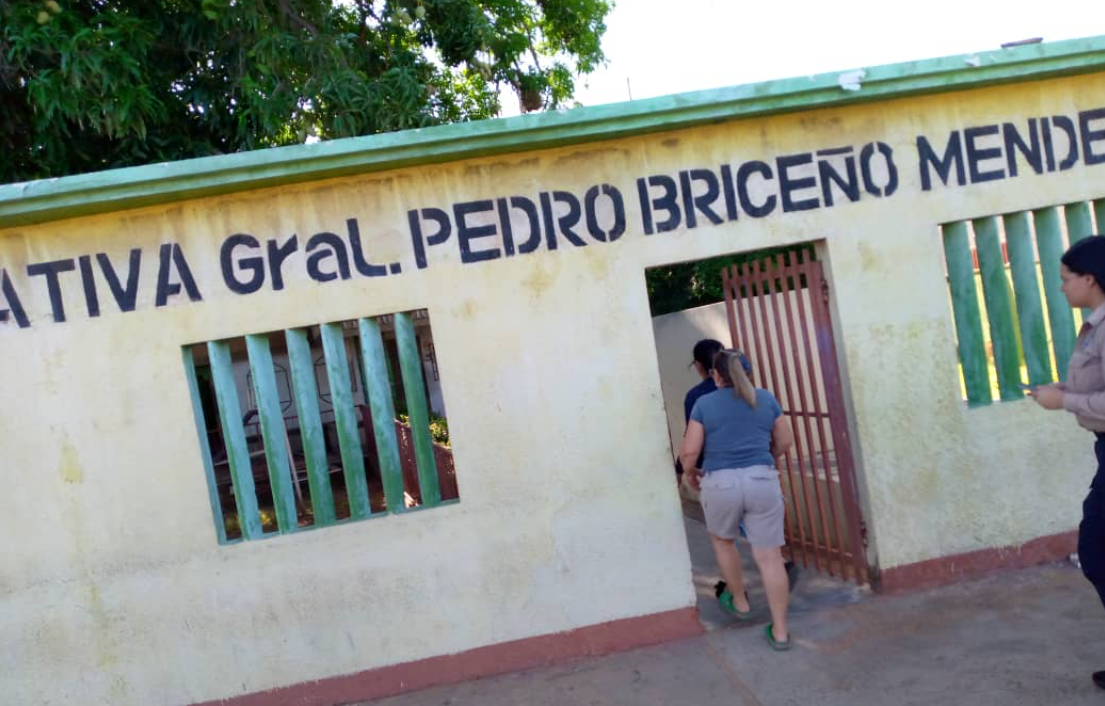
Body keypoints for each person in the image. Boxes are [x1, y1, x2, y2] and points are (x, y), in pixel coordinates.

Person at [1028, 235, 1105, 691]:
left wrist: (1065, 401)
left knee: (1095, 550)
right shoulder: (1094, 325)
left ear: (1090, 279)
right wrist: (1061, 390)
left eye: (1065, 280)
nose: (1061, 288)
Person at [681, 348, 795, 650]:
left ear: (715, 375)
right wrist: (764, 459)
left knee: (723, 541)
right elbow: (785, 440)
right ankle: (781, 633)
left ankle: (741, 602)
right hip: (762, 481)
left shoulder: (704, 403)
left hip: (721, 483)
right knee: (770, 557)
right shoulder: (765, 398)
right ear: (747, 372)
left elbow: (690, 452)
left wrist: (689, 473)